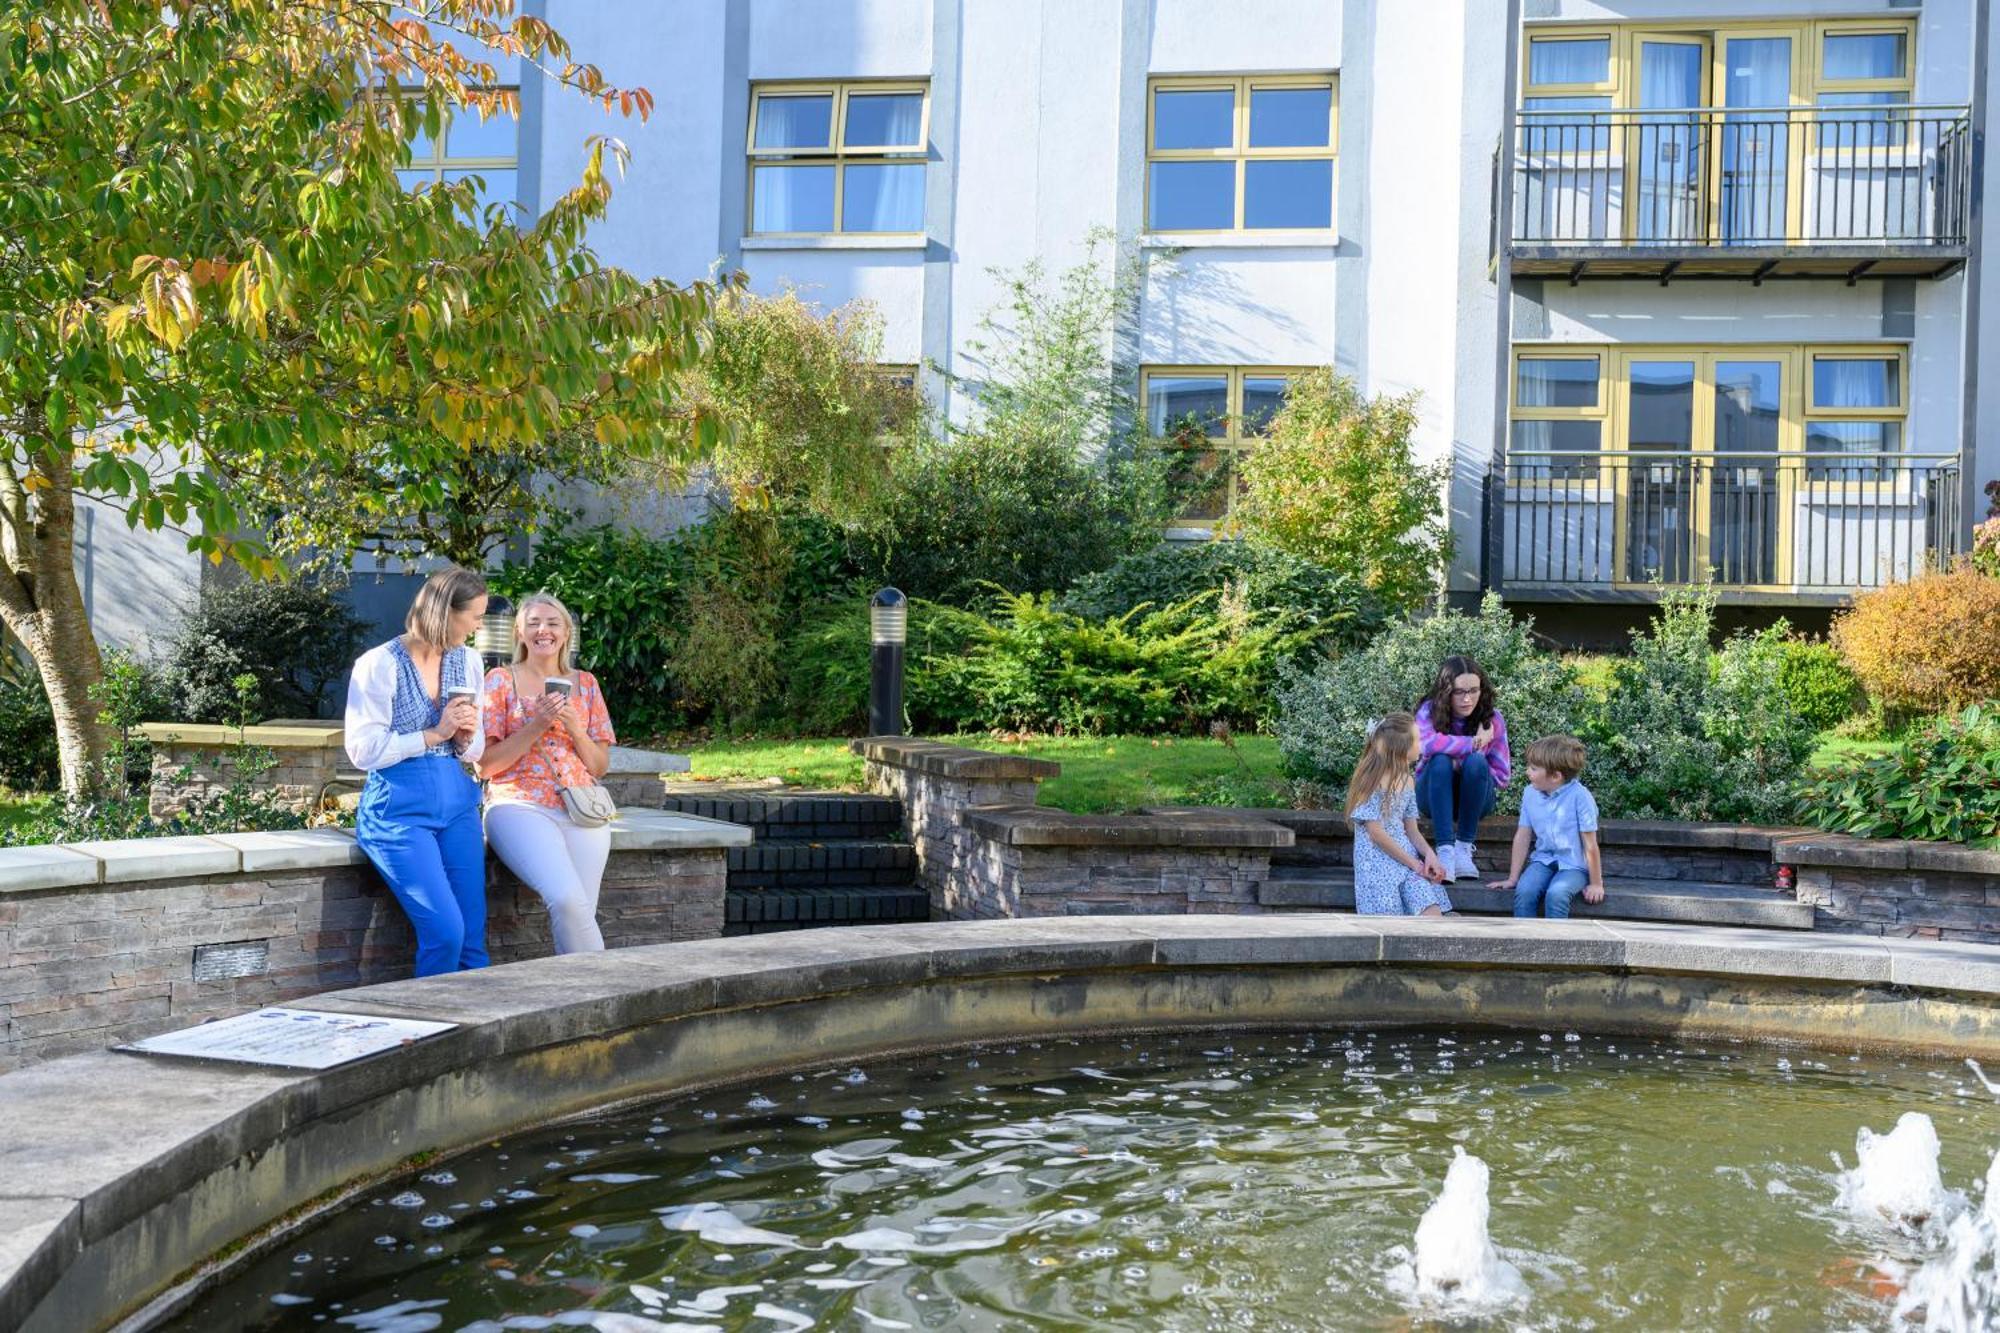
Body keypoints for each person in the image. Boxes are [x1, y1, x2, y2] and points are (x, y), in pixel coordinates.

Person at [345, 567, 492, 977]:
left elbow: (475, 747)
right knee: (446, 933)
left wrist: (464, 739)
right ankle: (433, 1031)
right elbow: (362, 750)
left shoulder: (469, 662)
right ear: (446, 612)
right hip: (399, 813)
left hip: (458, 806)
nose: (479, 627)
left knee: (472, 943)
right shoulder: (379, 664)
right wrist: (433, 733)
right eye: (475, 617)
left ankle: (478, 1035)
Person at [479, 592, 617, 954]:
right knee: (568, 901)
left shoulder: (586, 684)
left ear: (566, 632)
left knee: (581, 911)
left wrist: (574, 727)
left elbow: (600, 766)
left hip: (581, 806)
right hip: (518, 806)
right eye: (534, 623)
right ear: (520, 634)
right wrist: (537, 724)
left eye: (553, 623)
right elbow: (486, 765)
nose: (544, 630)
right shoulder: (499, 681)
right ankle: (606, 990)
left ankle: (580, 998)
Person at [1415, 654, 1512, 882]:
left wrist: (1468, 760)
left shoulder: (1492, 719)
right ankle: (1445, 851)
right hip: (1433, 797)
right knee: (1439, 760)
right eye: (1459, 692)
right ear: (1445, 691)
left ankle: (1464, 849)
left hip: (1476, 802)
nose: (1467, 699)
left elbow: (1502, 776)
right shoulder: (1428, 712)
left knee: (1476, 762)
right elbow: (1424, 744)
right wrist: (1474, 743)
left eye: (1474, 691)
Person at [1346, 713, 1454, 917]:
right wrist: (1413, 863)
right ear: (1402, 748)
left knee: (1431, 911)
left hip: (1407, 860)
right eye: (1418, 739)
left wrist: (1429, 855)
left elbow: (1411, 830)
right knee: (1391, 924)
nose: (1422, 743)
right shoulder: (1371, 783)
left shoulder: (1408, 781)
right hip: (1378, 865)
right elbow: (1375, 834)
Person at [1491, 734, 1606, 919]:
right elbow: (1523, 835)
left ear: (1556, 776)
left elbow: (1590, 845)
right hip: (1543, 859)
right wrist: (1513, 878)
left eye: (1534, 768)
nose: (1527, 771)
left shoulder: (1580, 797)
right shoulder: (1530, 793)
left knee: (1557, 894)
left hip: (1574, 865)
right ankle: (1523, 941)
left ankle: (1556, 945)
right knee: (1525, 890)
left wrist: (1596, 883)